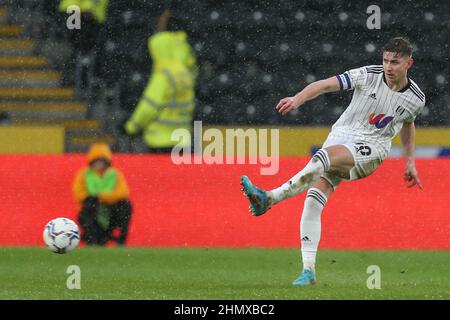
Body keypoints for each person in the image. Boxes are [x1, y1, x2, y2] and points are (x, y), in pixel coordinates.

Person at [241, 37, 425, 286]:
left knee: (323, 158)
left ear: (408, 63)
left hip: (372, 148)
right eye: (385, 60)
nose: (388, 67)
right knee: (314, 199)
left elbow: (408, 123)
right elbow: (326, 85)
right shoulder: (367, 75)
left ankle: (269, 198)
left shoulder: (415, 97)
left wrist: (409, 161)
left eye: (395, 62)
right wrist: (298, 99)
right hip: (342, 135)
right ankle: (308, 271)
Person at [124, 9, 197, 153]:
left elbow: (150, 106)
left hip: (160, 141)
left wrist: (131, 127)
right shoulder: (186, 72)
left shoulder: (164, 74)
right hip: (182, 139)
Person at [72, 143, 132, 245]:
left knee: (125, 205)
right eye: (97, 161)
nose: (99, 164)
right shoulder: (84, 174)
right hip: (91, 211)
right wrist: (94, 199)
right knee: (88, 205)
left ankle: (121, 240)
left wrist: (100, 197)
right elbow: (77, 193)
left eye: (102, 161)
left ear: (107, 162)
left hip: (111, 210)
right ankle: (92, 239)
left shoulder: (115, 174)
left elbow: (123, 193)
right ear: (92, 162)